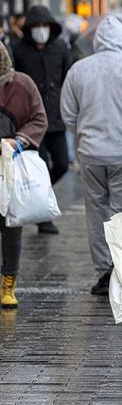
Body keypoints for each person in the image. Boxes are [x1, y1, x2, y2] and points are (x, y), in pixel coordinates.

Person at [60, 15, 122, 295]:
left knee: (95, 213)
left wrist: (83, 133)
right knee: (121, 213)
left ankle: (103, 271)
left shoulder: (79, 69)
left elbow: (68, 113)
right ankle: (120, 269)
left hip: (90, 153)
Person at [13, 6, 72, 235]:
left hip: (55, 117)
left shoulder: (60, 47)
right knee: (40, 167)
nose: (40, 31)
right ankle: (43, 216)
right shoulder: (19, 50)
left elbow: (68, 77)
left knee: (61, 164)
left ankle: (41, 199)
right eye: (36, 26)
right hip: (30, 121)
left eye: (44, 26)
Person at [0, 42, 48, 309]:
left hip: (12, 164)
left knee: (11, 224)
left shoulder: (23, 85)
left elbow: (39, 119)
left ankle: (8, 282)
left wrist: (19, 141)